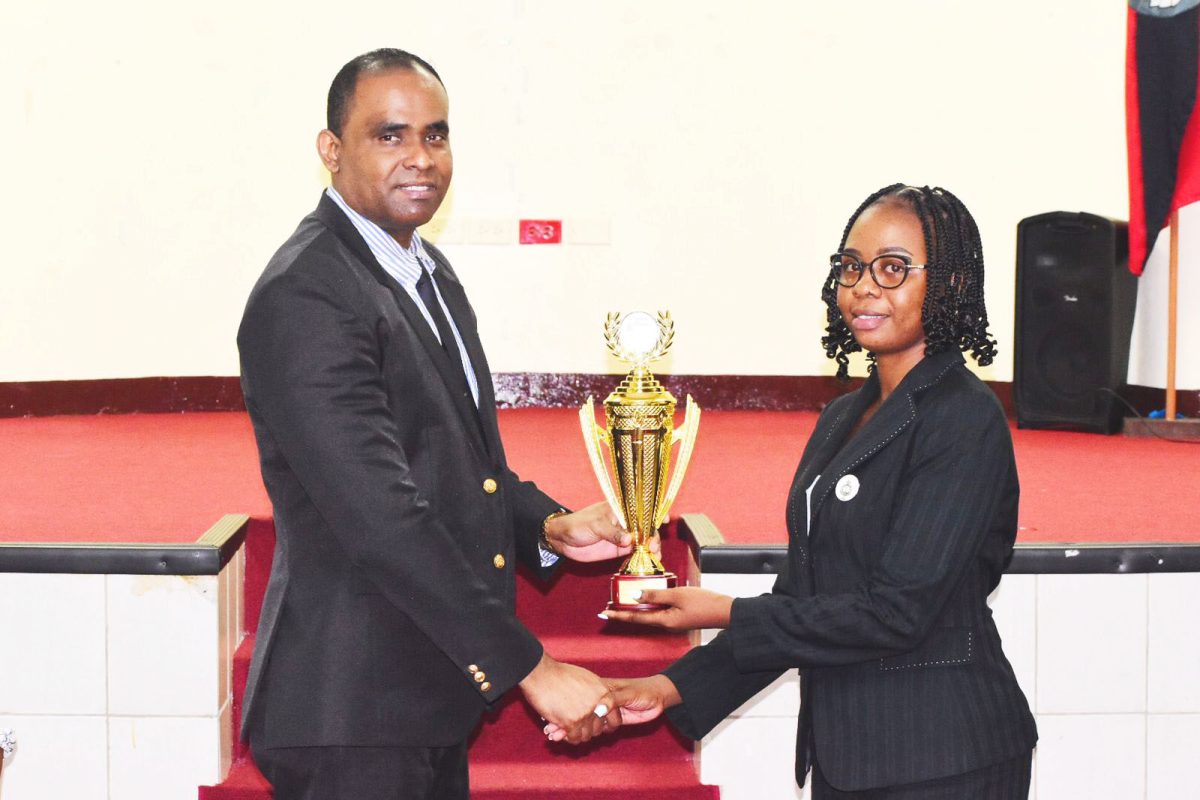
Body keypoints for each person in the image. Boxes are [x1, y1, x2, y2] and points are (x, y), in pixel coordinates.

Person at [237, 48, 626, 800]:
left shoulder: (423, 270)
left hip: (417, 695)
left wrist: (547, 526)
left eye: (436, 134)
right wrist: (531, 668)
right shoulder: (308, 295)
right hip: (351, 712)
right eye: (390, 135)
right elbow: (381, 513)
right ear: (332, 150)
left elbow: (454, 461)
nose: (420, 157)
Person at [577, 185, 1039, 798]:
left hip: (943, 759)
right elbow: (805, 598)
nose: (865, 287)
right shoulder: (843, 416)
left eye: (893, 269)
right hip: (852, 757)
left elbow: (896, 612)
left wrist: (725, 610)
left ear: (950, 283)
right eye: (851, 267)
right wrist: (670, 688)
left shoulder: (963, 418)